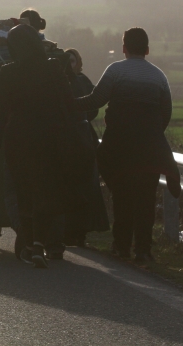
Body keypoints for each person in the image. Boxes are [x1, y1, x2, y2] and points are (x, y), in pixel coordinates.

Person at [74, 27, 181, 263]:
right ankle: (143, 249)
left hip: (120, 148)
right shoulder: (158, 76)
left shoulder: (116, 71)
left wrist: (66, 103)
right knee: (146, 199)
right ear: (147, 49)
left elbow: (95, 100)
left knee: (122, 195)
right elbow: (166, 112)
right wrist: (150, 134)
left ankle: (121, 246)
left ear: (124, 48)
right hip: (151, 149)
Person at [0, 24, 87, 268]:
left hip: (18, 138)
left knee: (23, 190)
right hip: (51, 137)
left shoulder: (7, 72)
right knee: (45, 188)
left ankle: (29, 243)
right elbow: (68, 103)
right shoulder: (53, 68)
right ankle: (40, 242)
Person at [62, 48, 110, 247]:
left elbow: (93, 109)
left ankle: (81, 230)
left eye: (73, 61)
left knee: (85, 184)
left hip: (82, 136)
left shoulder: (82, 81)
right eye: (67, 61)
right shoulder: (59, 82)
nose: (70, 64)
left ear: (78, 62)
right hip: (66, 136)